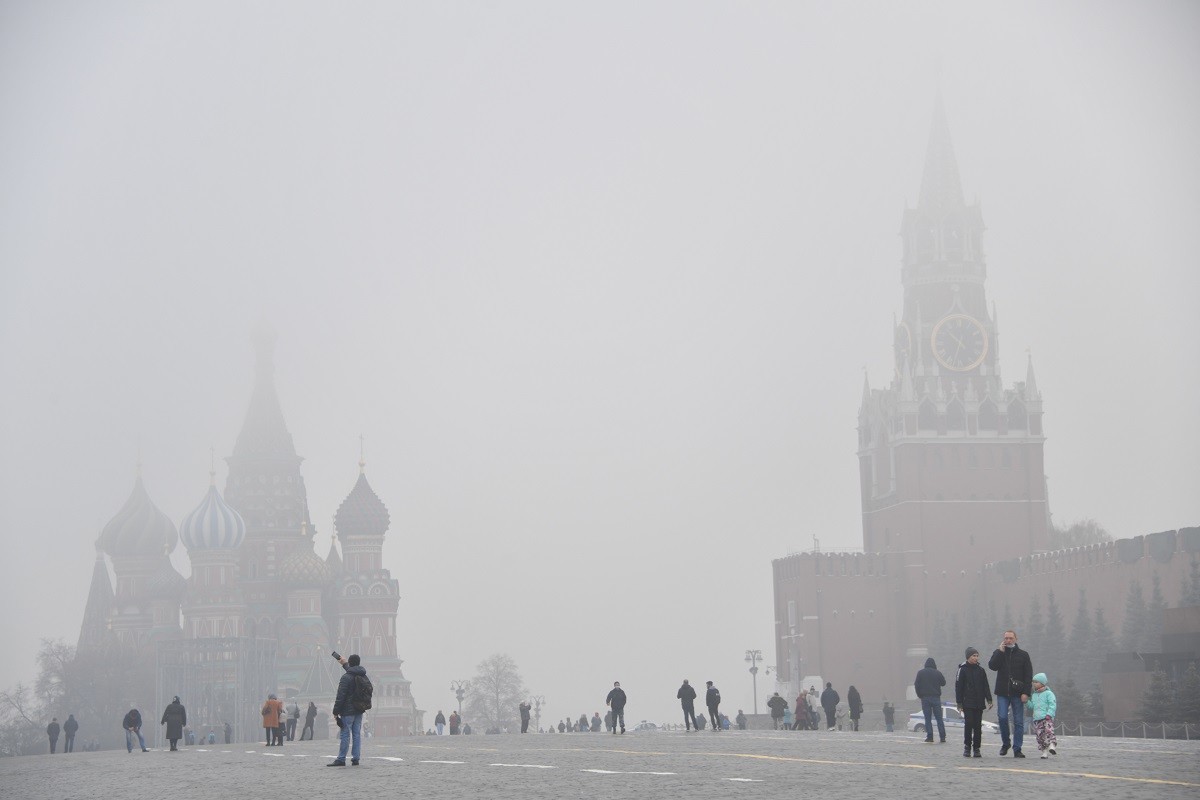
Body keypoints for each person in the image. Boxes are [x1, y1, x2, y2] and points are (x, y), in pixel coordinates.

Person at [988, 629, 1033, 758]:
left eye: (1010, 638)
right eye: (1006, 638)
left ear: (1015, 639)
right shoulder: (999, 653)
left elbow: (1028, 675)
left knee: (1018, 721)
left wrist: (1026, 693)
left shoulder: (1023, 655)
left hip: (1018, 693)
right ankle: (1005, 743)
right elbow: (992, 666)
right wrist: (1000, 652)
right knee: (1002, 718)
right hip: (1002, 692)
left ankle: (1017, 748)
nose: (1008, 640)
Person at [328, 653, 370, 766]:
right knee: (356, 734)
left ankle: (341, 759)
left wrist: (335, 711)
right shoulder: (363, 675)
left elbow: (340, 696)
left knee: (345, 734)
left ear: (350, 663)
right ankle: (356, 758)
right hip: (359, 709)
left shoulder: (345, 678)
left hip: (347, 711)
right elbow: (353, 672)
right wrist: (344, 663)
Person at [955, 646, 993, 758]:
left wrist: (989, 699)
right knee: (969, 724)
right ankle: (967, 747)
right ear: (968, 657)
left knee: (977, 726)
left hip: (979, 703)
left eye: (977, 656)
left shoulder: (981, 670)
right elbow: (958, 687)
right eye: (973, 656)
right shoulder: (962, 669)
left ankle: (977, 748)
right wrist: (959, 703)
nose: (976, 658)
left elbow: (985, 686)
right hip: (968, 703)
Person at [1025, 672, 1058, 759]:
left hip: (1047, 718)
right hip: (1037, 719)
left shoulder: (1049, 694)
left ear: (1042, 683)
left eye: (1036, 682)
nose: (1034, 684)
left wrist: (1049, 714)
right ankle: (1044, 751)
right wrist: (1026, 702)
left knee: (1049, 731)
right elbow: (1032, 706)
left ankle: (1052, 745)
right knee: (1040, 736)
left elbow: (1052, 704)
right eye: (1033, 682)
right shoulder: (1034, 695)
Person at [914, 658, 947, 743]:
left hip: (925, 698)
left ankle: (930, 737)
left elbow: (916, 685)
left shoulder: (920, 673)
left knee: (927, 718)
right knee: (939, 718)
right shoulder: (937, 673)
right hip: (936, 698)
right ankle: (942, 737)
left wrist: (919, 695)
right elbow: (943, 683)